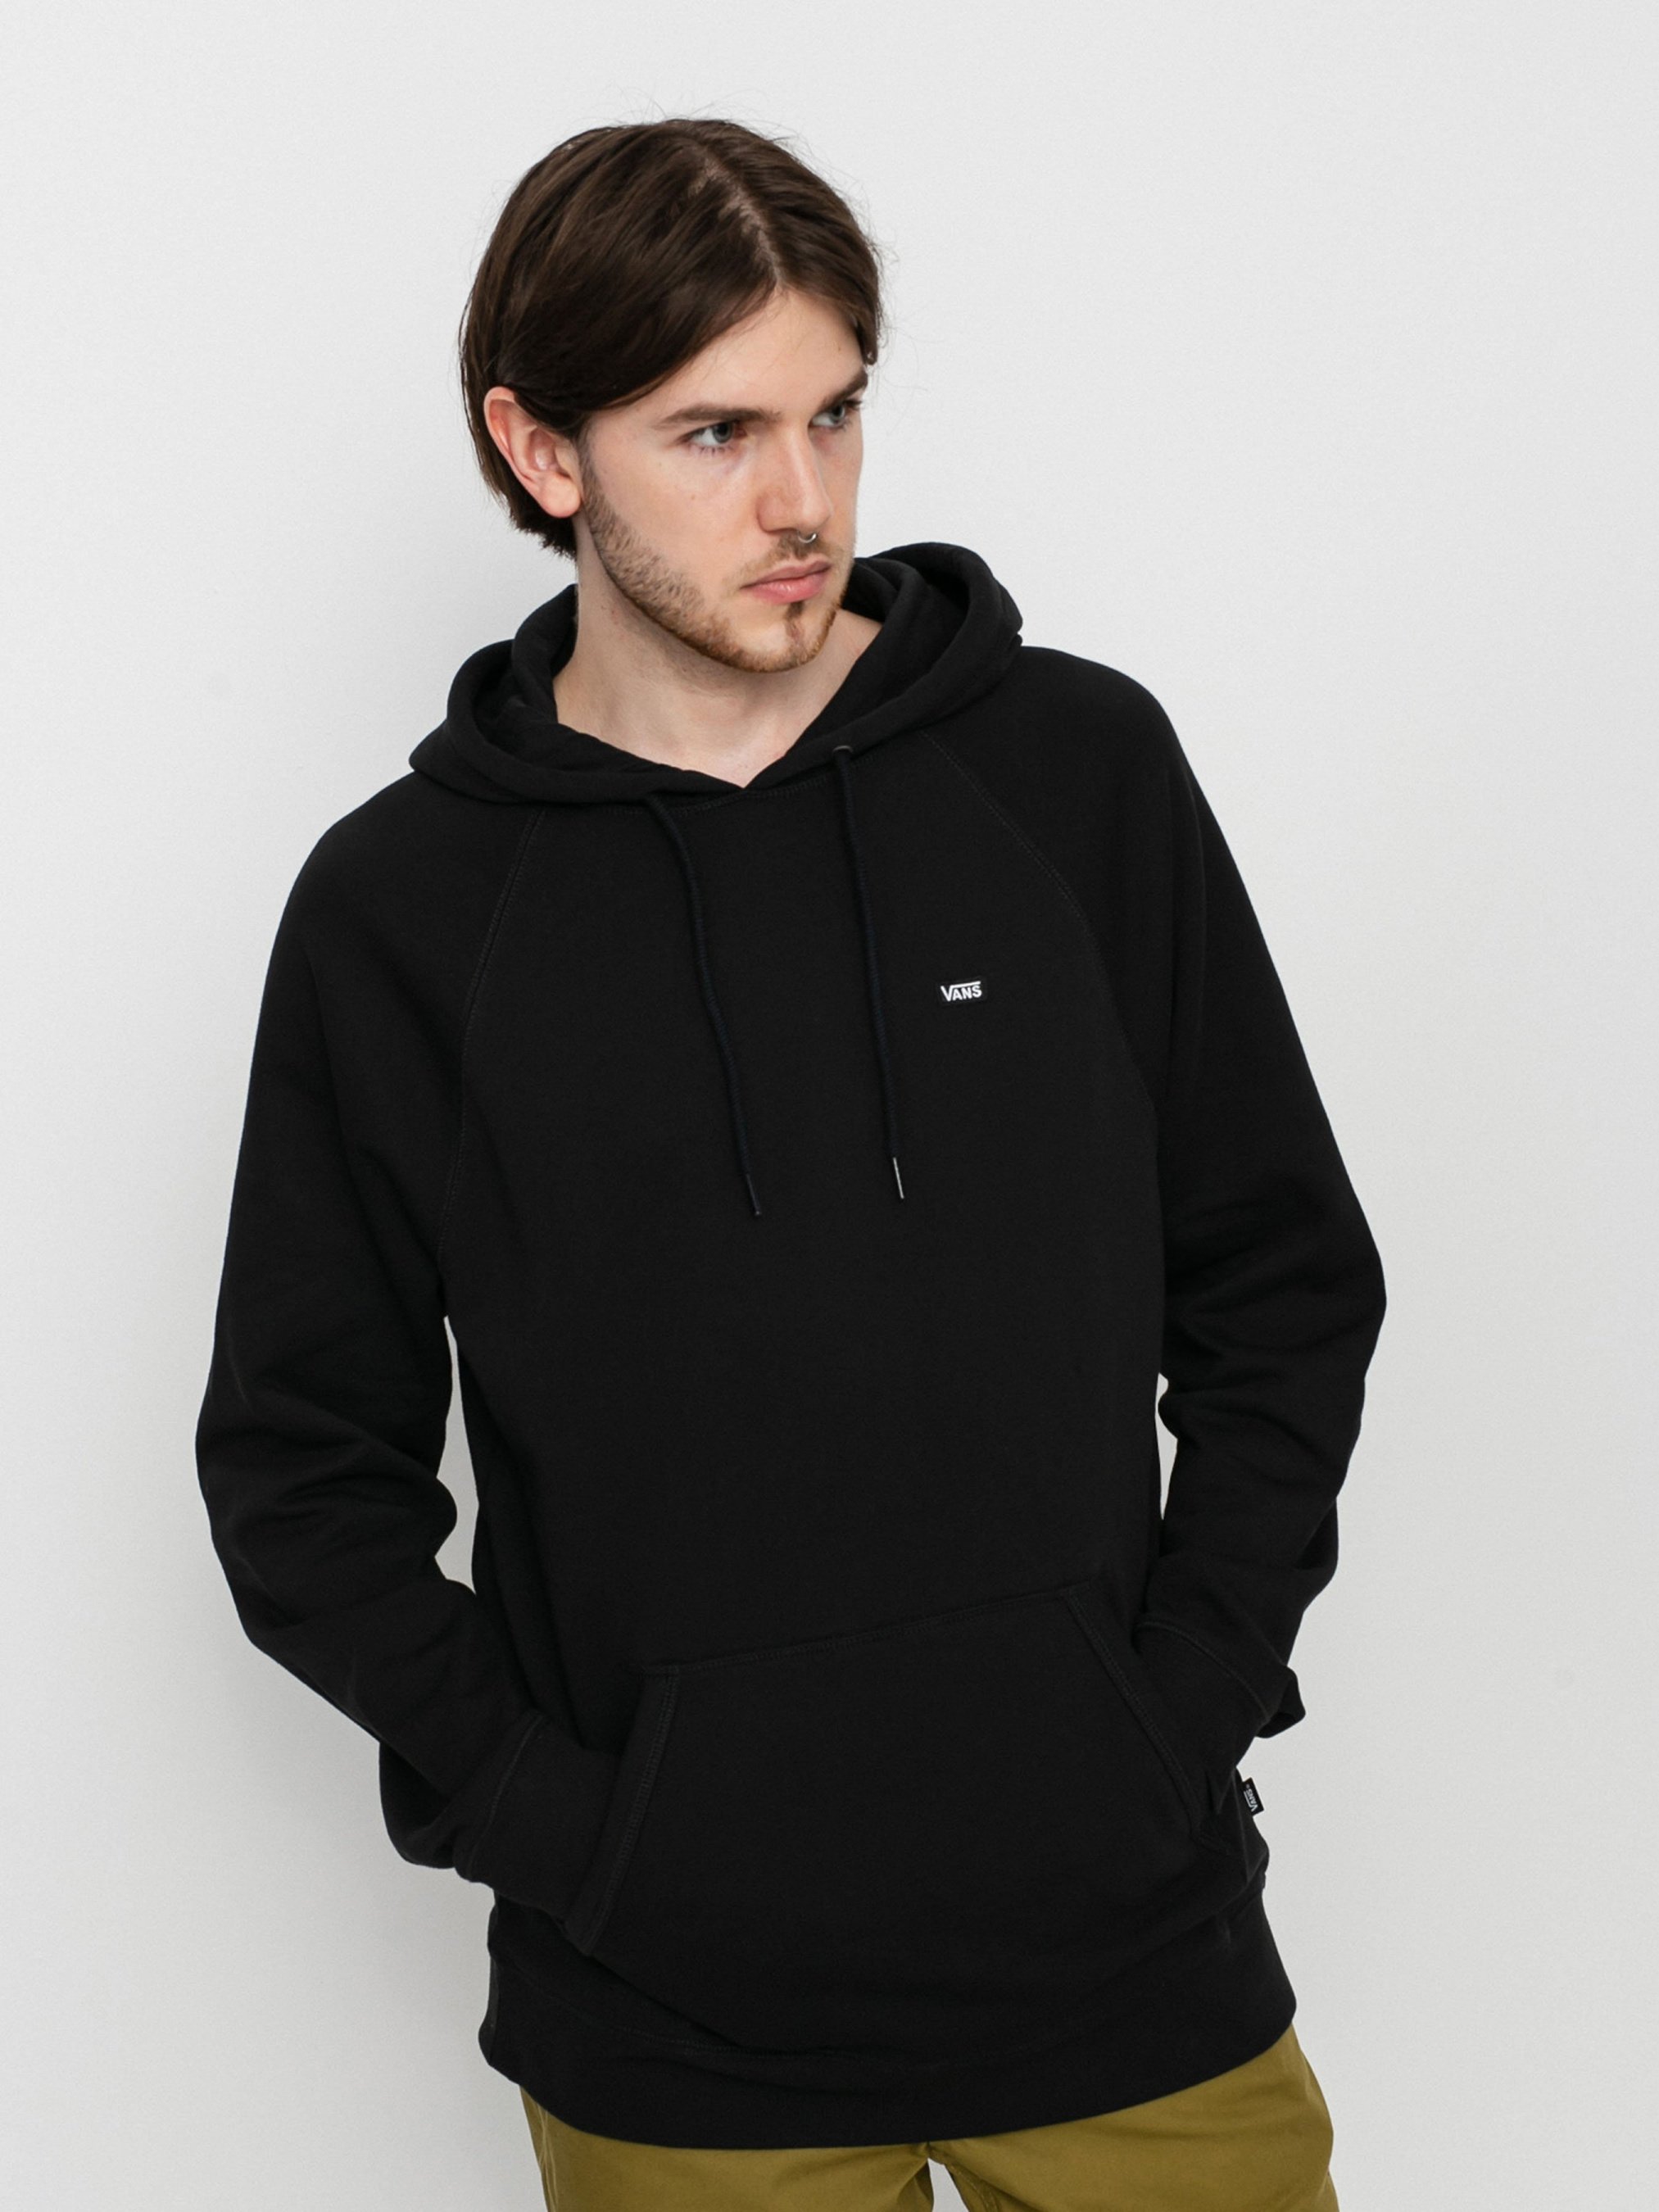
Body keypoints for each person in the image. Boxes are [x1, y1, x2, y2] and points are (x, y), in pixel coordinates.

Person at [195, 116, 1385, 2210]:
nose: (801, 501)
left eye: (833, 412)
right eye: (713, 432)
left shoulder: (1072, 774)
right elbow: (301, 1472)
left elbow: (1281, 1283)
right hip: (673, 2038)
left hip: (1131, 1968)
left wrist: (1177, 1710)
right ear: (540, 451)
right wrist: (579, 1835)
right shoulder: (406, 912)